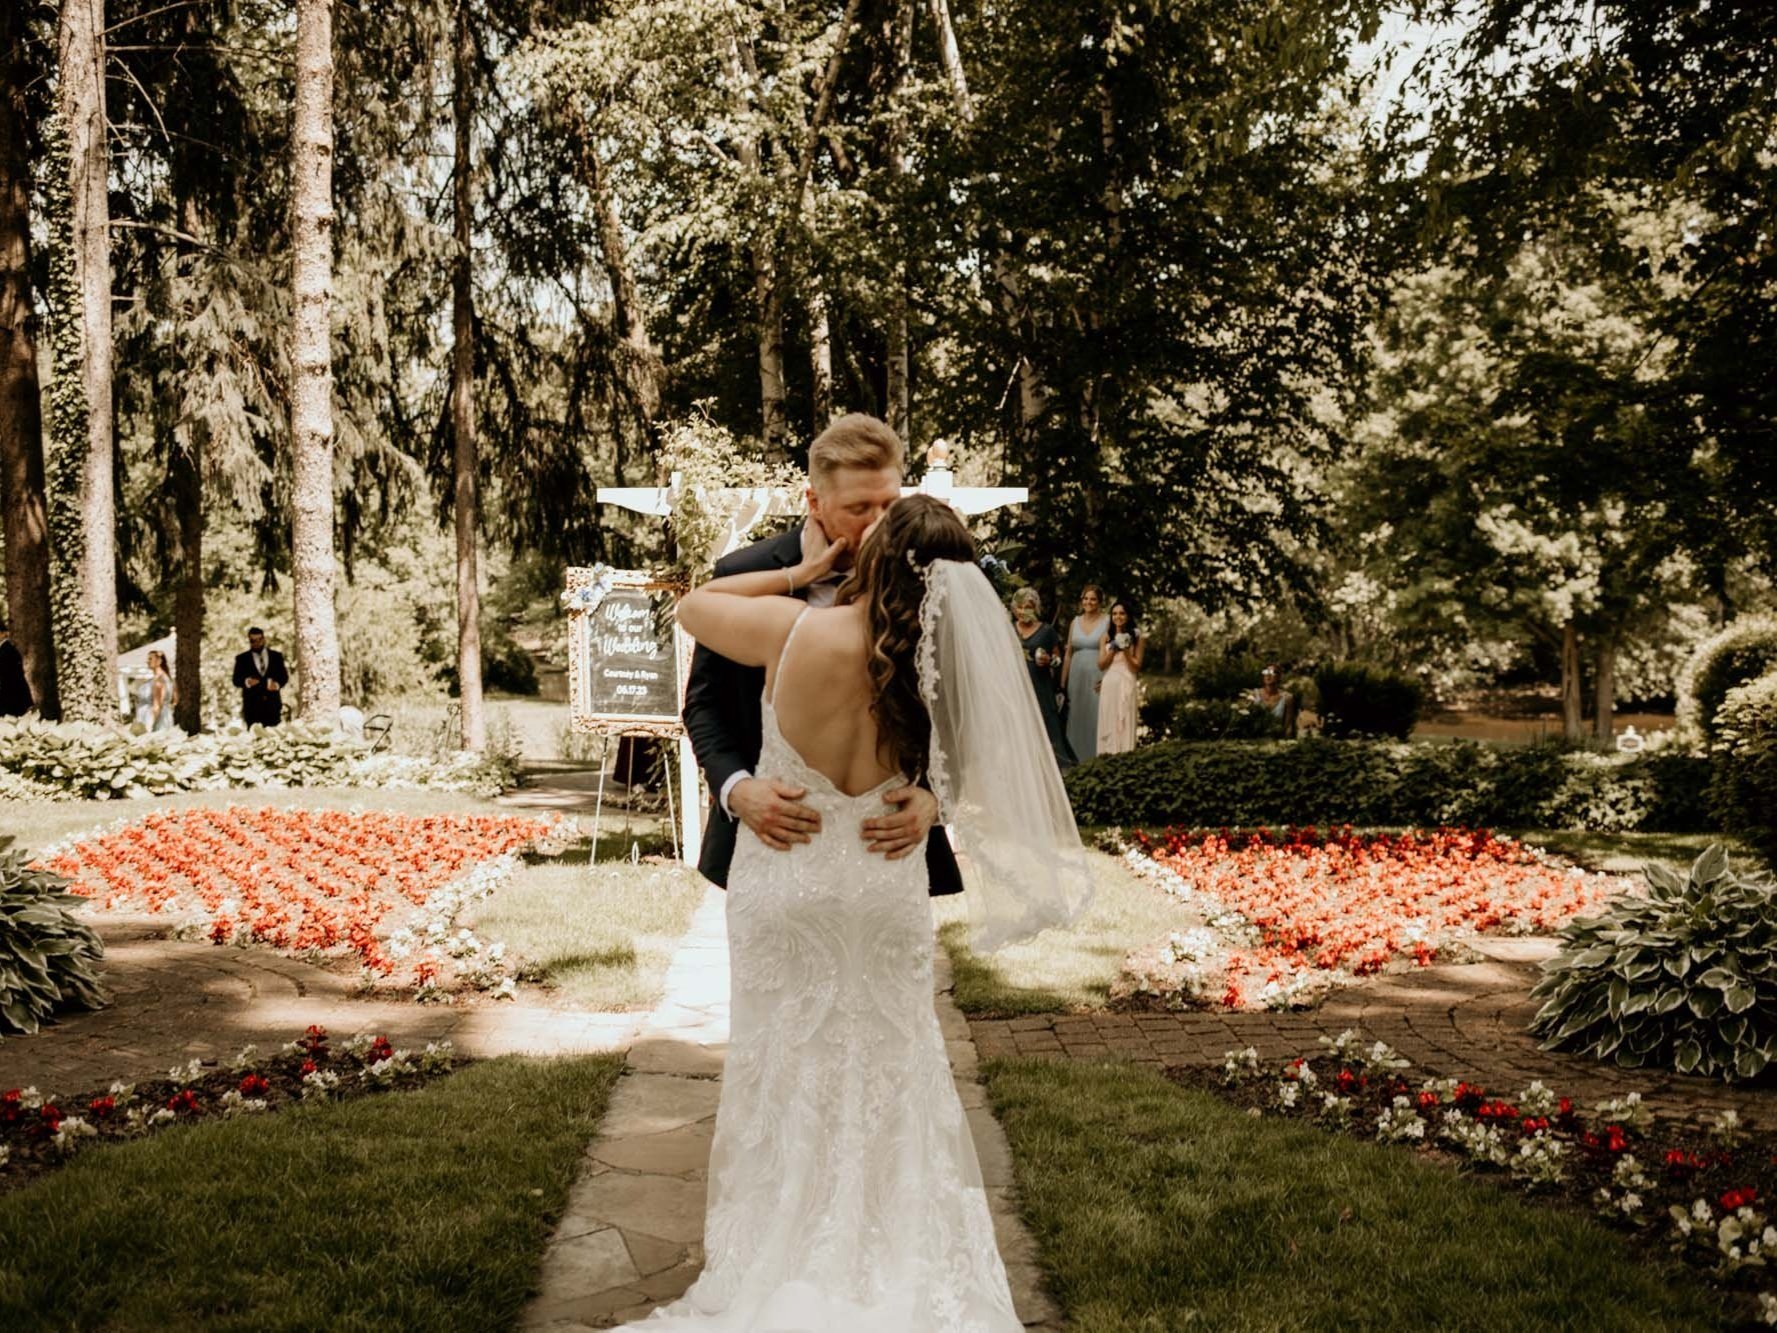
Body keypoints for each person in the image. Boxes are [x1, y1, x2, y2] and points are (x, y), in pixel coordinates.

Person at [651, 494, 1093, 1330]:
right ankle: (889, 1250)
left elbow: (692, 607)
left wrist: (802, 570)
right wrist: (929, 802)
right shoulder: (941, 663)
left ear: (876, 560)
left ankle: (782, 1250)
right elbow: (989, 759)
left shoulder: (792, 629)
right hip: (884, 878)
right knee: (894, 1066)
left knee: (784, 1068)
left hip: (788, 876)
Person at [682, 413, 961, 898]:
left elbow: (966, 713)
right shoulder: (745, 572)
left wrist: (935, 799)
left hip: (888, 854)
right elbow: (705, 707)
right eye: (858, 508)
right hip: (776, 849)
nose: (878, 524)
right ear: (814, 502)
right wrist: (737, 789)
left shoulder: (931, 583)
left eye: (888, 505)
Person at [1011, 586, 1076, 769]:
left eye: (1029, 607)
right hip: (1015, 683)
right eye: (1020, 607)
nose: (1024, 611)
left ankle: (1053, 767)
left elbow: (1058, 659)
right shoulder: (1008, 629)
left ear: (1036, 608)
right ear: (1015, 609)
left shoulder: (1047, 631)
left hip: (1039, 683)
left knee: (1044, 723)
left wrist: (1049, 661)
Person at [1062, 584, 1108, 761]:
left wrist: (1107, 678)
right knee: (1076, 716)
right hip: (1076, 676)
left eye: (1093, 599)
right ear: (1082, 601)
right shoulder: (1075, 622)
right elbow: (1068, 654)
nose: (1089, 602)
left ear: (1099, 602)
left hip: (1097, 675)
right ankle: (1075, 761)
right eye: (1085, 598)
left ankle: (1096, 759)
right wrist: (1062, 683)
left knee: (1095, 717)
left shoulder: (1107, 621)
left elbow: (1113, 652)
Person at [1095, 600, 1143, 754]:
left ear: (1128, 616)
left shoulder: (1138, 637)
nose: (1118, 617)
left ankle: (1125, 758)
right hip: (1109, 683)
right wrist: (1114, 649)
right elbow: (1101, 665)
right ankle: (1106, 757)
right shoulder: (1105, 637)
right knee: (1109, 723)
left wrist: (1127, 651)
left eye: (1122, 613)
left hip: (1127, 680)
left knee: (1125, 721)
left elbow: (1136, 666)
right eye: (1114, 613)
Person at [232, 627, 288, 727]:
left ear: (264, 639)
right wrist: (247, 682)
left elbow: (284, 677)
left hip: (273, 706)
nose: (257, 643)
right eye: (253, 640)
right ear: (249, 641)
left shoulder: (276, 656)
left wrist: (277, 685)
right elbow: (236, 680)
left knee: (275, 738)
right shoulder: (242, 659)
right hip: (252, 708)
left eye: (259, 639)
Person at [1251, 664, 1299, 738]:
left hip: (1276, 739)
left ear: (1279, 677)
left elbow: (1288, 727)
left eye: (1273, 672)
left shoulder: (1287, 698)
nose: (1268, 675)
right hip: (1254, 738)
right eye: (1266, 672)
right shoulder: (1254, 694)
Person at [0, 621, 31, 717]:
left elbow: (10, 677)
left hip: (11, 698)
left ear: (4, 634)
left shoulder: (8, 650)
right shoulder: (4, 650)